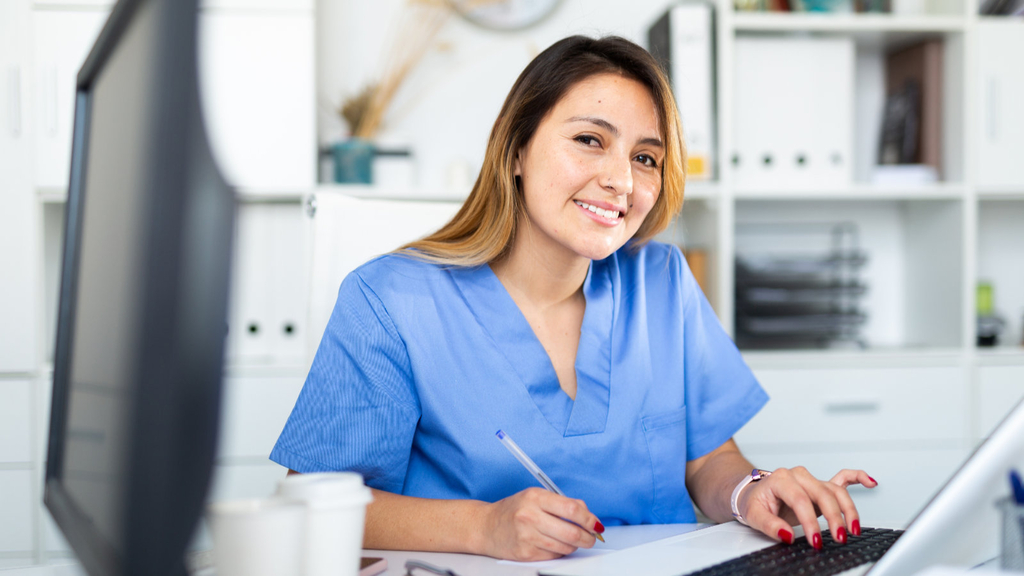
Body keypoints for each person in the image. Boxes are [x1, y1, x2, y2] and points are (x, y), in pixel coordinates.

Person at [270, 35, 876, 562]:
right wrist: (484, 527)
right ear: (515, 152)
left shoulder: (660, 280)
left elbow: (708, 459)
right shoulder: (392, 300)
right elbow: (313, 504)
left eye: (645, 157)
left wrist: (750, 494)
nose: (622, 181)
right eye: (590, 140)